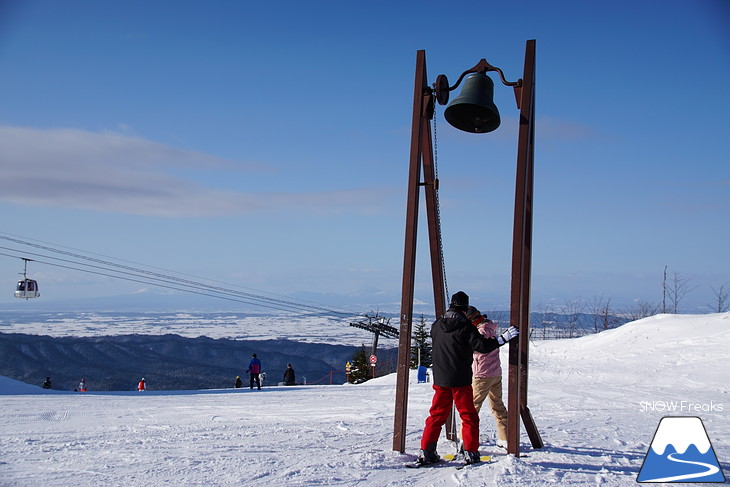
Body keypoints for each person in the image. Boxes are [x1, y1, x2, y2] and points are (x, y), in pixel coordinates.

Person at [417, 291, 518, 466]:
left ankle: (427, 451)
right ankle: (471, 452)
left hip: (441, 378)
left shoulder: (436, 325)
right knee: (469, 416)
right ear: (464, 309)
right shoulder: (466, 327)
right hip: (461, 379)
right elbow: (483, 346)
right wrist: (502, 339)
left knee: (436, 415)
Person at [467, 307, 509, 450]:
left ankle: (465, 438)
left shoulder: (480, 331)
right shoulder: (490, 328)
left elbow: (479, 348)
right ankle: (505, 437)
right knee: (498, 405)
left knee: (472, 407)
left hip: (482, 375)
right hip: (495, 373)